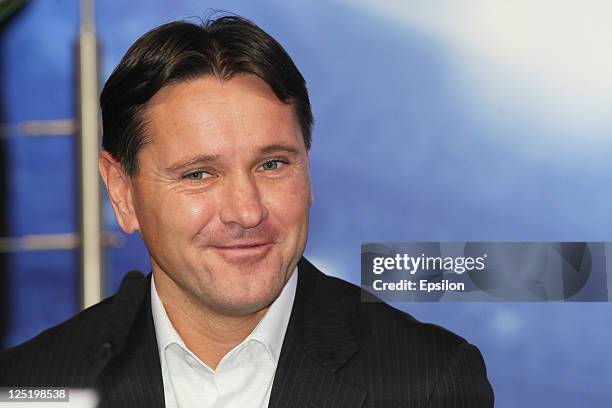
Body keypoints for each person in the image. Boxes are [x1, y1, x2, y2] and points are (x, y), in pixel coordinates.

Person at [0, 15, 494, 407]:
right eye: (199, 174)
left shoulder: (428, 382)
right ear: (121, 192)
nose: (247, 211)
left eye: (273, 164)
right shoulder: (33, 383)